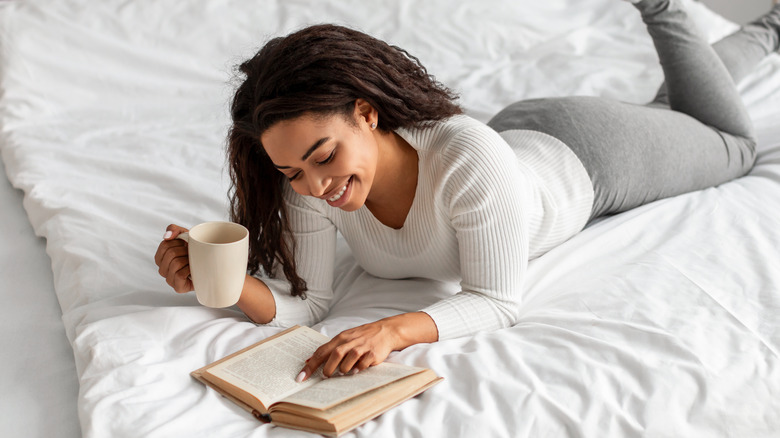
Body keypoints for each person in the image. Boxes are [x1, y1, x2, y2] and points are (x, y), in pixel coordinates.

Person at [155, 0, 780, 383]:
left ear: (368, 114)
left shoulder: (464, 154)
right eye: (292, 172)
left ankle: (663, 4)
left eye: (324, 156)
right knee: (675, 110)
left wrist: (395, 332)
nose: (315, 187)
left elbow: (497, 301)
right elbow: (310, 307)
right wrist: (228, 281)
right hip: (517, 140)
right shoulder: (308, 184)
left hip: (595, 155)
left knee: (729, 143)